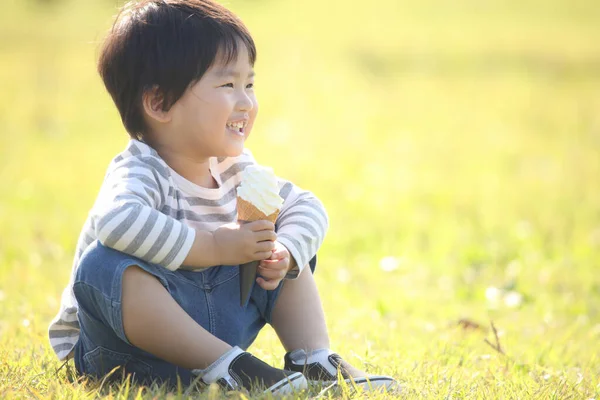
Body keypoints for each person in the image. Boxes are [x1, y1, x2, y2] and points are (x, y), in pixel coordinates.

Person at [48, 0, 398, 395]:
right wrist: (215, 246)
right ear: (159, 102)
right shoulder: (141, 170)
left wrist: (282, 251)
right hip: (123, 351)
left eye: (249, 84)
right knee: (103, 265)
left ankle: (311, 359)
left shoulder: (234, 168)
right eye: (227, 85)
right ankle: (233, 367)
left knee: (282, 240)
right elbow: (116, 221)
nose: (246, 102)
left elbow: (307, 205)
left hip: (211, 328)